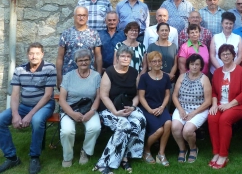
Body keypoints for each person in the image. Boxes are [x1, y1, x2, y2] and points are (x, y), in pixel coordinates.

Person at [0, 43, 56, 174]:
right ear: (27, 55)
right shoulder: (20, 70)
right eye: (31, 53)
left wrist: (29, 115)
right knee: (1, 119)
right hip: (24, 105)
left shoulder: (50, 68)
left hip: (45, 105)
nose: (34, 56)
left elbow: (48, 95)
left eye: (37, 53)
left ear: (42, 54)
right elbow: (15, 94)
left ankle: (34, 157)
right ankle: (11, 157)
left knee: (36, 120)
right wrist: (15, 114)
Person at [93, 45, 146, 174]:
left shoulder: (134, 72)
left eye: (128, 56)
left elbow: (137, 94)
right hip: (110, 108)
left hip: (128, 106)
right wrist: (115, 112)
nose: (125, 58)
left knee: (140, 122)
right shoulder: (109, 72)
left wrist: (133, 107)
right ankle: (105, 163)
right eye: (122, 56)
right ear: (117, 58)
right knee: (124, 125)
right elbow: (104, 96)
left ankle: (124, 156)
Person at [208, 44, 242, 169]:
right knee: (212, 117)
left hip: (237, 104)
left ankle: (223, 155)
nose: (225, 56)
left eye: (228, 54)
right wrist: (214, 105)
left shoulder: (240, 71)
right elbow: (214, 91)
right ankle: (216, 152)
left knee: (224, 119)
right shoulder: (217, 72)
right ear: (220, 56)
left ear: (233, 55)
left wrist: (229, 105)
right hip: (220, 104)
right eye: (223, 54)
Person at [58, 49, 101, 167]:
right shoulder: (68, 76)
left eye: (86, 60)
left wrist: (92, 112)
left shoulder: (96, 76)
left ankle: (85, 152)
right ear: (76, 62)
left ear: (90, 61)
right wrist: (72, 114)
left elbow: (98, 97)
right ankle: (67, 156)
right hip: (70, 109)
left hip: (88, 108)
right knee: (67, 131)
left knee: (95, 127)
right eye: (80, 60)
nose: (83, 63)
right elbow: (62, 100)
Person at [171, 54, 212, 163]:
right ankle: (182, 149)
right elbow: (174, 96)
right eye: (192, 64)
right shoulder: (182, 76)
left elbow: (208, 101)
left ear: (201, 66)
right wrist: (180, 110)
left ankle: (193, 148)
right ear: (188, 65)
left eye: (197, 64)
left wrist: (193, 113)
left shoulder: (204, 79)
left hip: (199, 110)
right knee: (175, 127)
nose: (194, 66)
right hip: (182, 108)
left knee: (187, 131)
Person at [138, 51, 172, 166]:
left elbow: (167, 95)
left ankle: (161, 153)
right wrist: (149, 110)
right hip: (147, 108)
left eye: (159, 61)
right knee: (159, 130)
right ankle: (146, 150)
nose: (157, 63)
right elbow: (141, 97)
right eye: (154, 61)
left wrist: (162, 107)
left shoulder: (166, 77)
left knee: (168, 123)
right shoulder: (144, 77)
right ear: (150, 63)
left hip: (161, 107)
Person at [56, 6, 102, 90]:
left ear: (87, 17)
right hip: (69, 74)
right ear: (74, 16)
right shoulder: (66, 33)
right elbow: (60, 57)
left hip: (89, 76)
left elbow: (98, 56)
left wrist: (99, 75)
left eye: (84, 15)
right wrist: (59, 78)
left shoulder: (94, 34)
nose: (81, 17)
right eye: (79, 15)